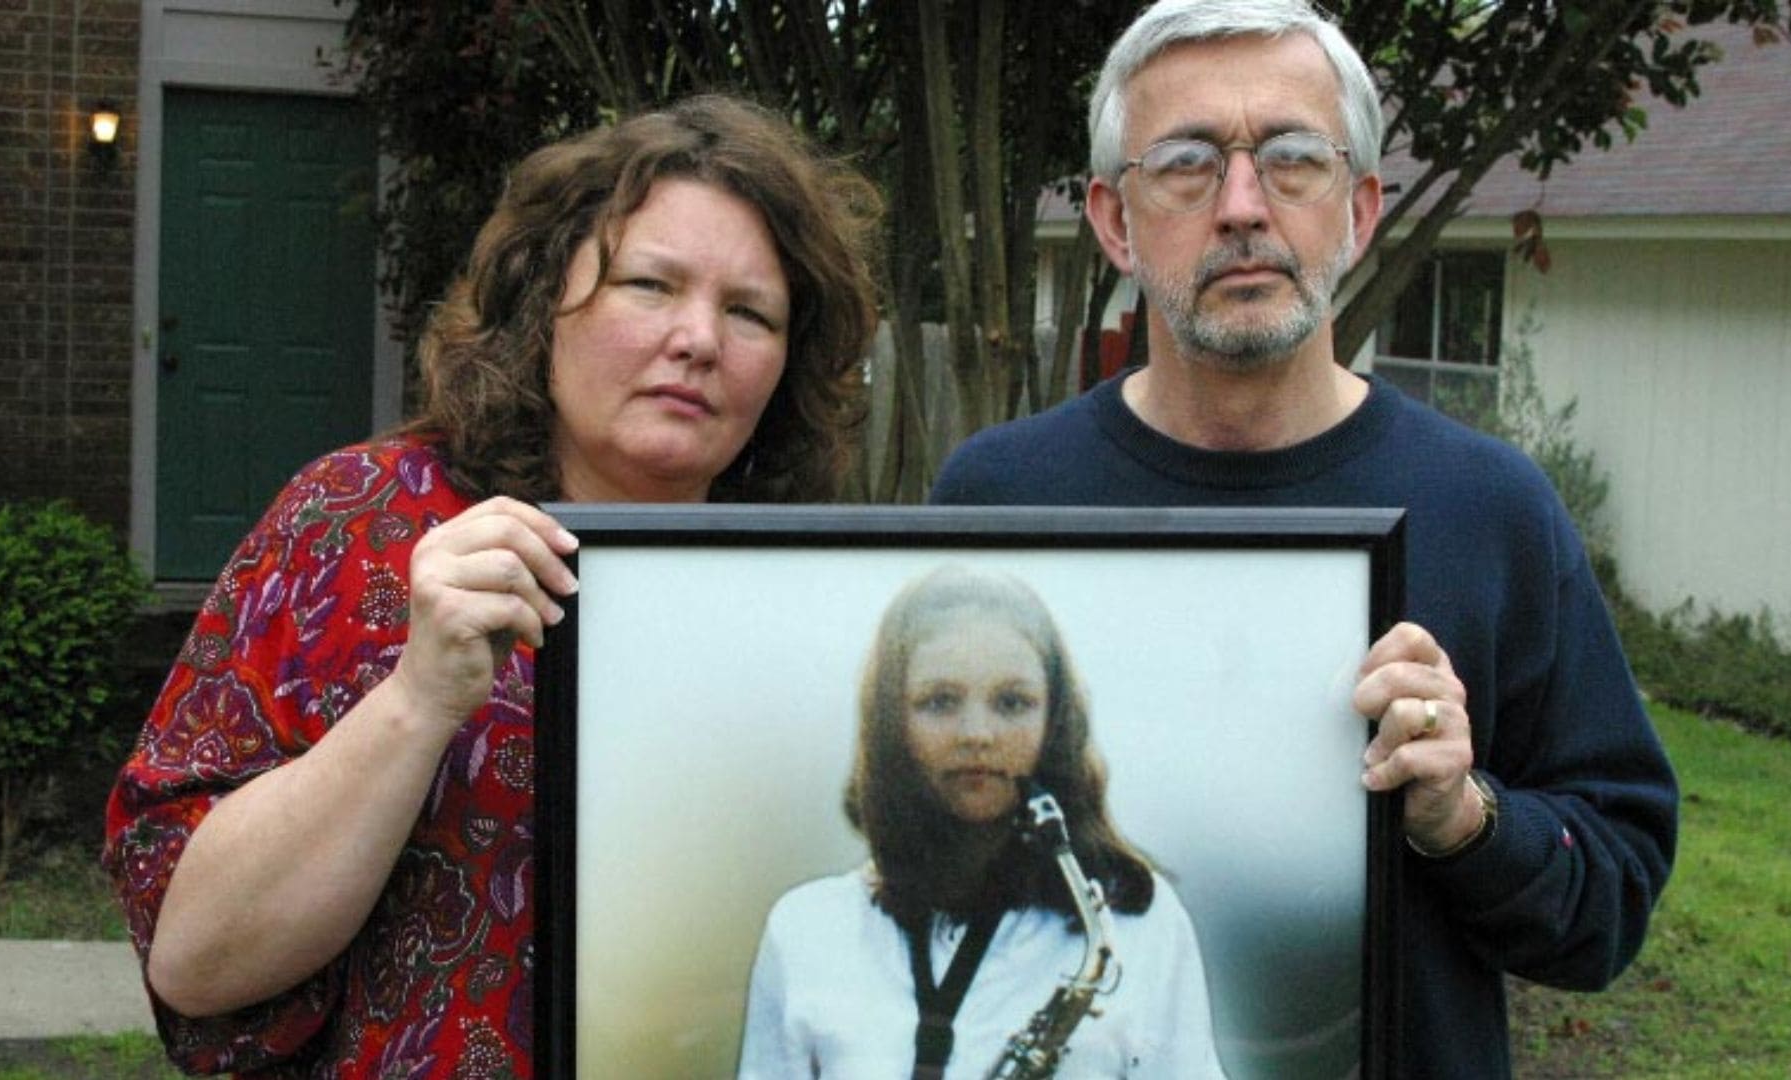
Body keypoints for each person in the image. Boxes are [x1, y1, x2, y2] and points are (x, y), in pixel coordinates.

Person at [929, 1, 1680, 1076]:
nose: (1243, 207)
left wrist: (1464, 817)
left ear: (1360, 209)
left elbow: (1611, 906)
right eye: (1186, 164)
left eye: (1292, 160)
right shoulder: (997, 499)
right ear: (1114, 221)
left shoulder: (1492, 510)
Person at [102, 94, 882, 1077]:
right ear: (544, 298)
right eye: (650, 284)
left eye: (749, 313)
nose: (698, 339)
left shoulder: (808, 601)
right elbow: (195, 959)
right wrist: (418, 700)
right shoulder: (356, 520)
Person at [736, 565, 1226, 1078]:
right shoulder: (808, 929)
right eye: (940, 701)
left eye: (1012, 703)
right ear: (891, 723)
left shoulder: (1136, 924)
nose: (977, 734)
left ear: (1054, 721)